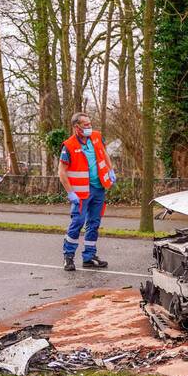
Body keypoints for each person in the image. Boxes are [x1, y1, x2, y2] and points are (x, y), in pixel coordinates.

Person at [59, 112, 116, 271]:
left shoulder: (96, 137)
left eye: (90, 124)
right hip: (81, 193)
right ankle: (68, 257)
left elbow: (104, 154)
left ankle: (89, 257)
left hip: (99, 188)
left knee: (94, 223)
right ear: (76, 127)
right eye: (86, 125)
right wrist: (70, 192)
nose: (89, 127)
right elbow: (62, 172)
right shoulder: (68, 146)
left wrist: (110, 170)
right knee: (77, 222)